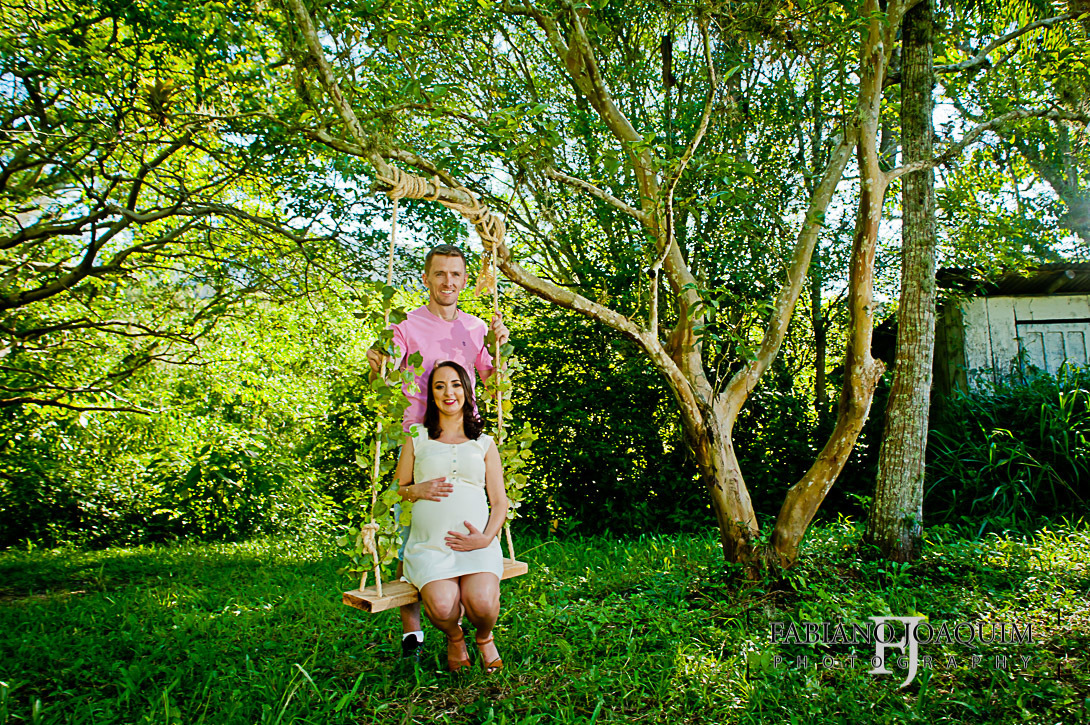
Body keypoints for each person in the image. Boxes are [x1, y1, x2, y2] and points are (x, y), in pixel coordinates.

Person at [365, 244, 509, 658]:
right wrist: (375, 364)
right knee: (408, 534)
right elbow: (383, 377)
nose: (448, 282)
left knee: (461, 517)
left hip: (464, 437)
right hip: (417, 437)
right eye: (440, 274)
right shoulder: (405, 325)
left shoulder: (476, 328)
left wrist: (501, 348)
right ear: (426, 278)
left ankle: (467, 608)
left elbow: (493, 382)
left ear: (464, 280)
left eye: (456, 274)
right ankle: (413, 632)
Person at [394, 361, 508, 673]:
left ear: (467, 391)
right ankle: (455, 638)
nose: (449, 392)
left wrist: (485, 539)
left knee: (482, 603)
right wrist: (417, 490)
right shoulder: (417, 437)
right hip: (431, 546)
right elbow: (397, 490)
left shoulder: (483, 443)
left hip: (477, 545)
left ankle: (484, 638)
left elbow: (500, 502)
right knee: (443, 606)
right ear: (431, 395)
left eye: (456, 384)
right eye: (440, 386)